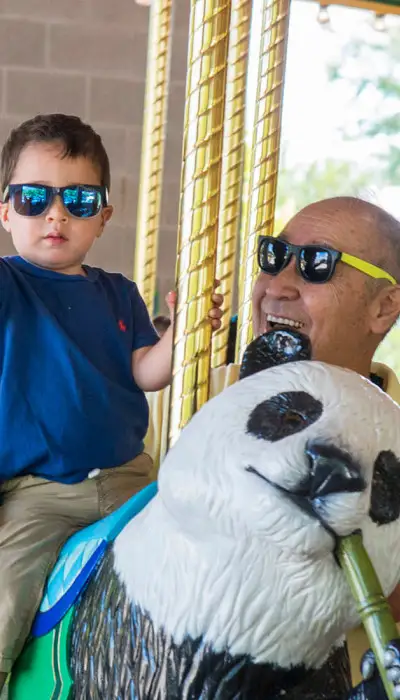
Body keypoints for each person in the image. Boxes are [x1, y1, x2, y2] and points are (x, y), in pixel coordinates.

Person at [0, 112, 223, 687]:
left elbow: (147, 372)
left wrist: (185, 333)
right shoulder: (9, 284)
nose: (55, 214)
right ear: (5, 212)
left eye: (77, 198)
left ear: (103, 216)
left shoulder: (118, 293)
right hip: (43, 493)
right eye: (32, 198)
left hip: (131, 479)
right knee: (8, 591)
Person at [146, 195, 400, 683]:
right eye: (273, 257)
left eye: (316, 265)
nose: (277, 286)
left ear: (383, 308)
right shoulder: (175, 403)